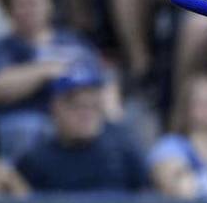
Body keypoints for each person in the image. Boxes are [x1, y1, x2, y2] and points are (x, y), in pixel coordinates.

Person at [0, 0, 105, 160]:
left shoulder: (74, 42)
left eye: (37, 1)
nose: (32, 8)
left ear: (49, 3)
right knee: (30, 129)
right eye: (24, 3)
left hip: (79, 117)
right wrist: (45, 71)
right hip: (28, 122)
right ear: (8, 9)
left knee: (115, 130)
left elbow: (103, 83)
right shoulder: (3, 48)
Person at [15, 62, 147, 193]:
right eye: (75, 104)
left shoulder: (123, 147)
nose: (85, 113)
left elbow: (147, 197)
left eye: (92, 103)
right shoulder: (36, 160)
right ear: (54, 108)